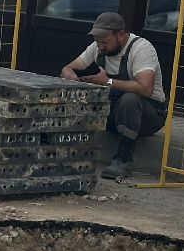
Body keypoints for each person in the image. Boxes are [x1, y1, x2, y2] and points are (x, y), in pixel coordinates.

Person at [60, 12, 166, 180]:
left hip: (150, 114)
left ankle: (123, 159)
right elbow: (67, 68)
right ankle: (70, 152)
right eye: (98, 42)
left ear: (121, 35)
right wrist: (72, 77)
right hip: (114, 112)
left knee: (130, 100)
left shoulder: (141, 49)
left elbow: (145, 89)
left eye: (105, 42)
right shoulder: (97, 46)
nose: (100, 46)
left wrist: (107, 81)